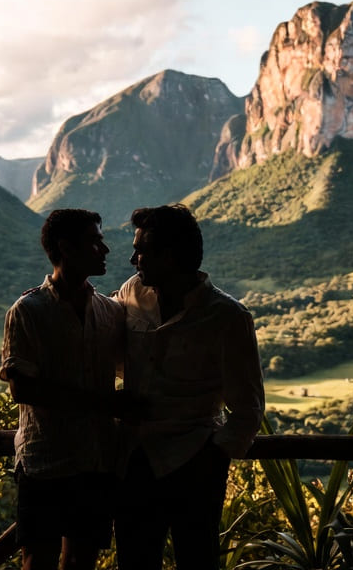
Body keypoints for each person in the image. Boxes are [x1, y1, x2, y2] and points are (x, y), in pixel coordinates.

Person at [114, 203, 265, 570]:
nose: (134, 258)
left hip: (193, 462)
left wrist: (215, 456)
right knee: (134, 560)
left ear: (171, 256)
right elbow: (105, 342)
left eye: (143, 250)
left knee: (197, 560)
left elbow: (248, 407)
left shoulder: (227, 317)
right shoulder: (131, 294)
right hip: (134, 460)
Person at [0, 208, 127, 570]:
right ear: (66, 248)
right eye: (95, 241)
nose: (104, 249)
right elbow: (23, 389)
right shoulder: (28, 310)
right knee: (37, 560)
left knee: (81, 561)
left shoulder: (110, 312)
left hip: (96, 460)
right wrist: (106, 404)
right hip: (45, 462)